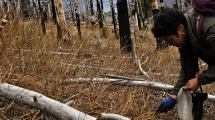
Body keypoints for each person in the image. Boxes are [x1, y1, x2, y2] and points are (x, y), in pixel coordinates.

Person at [151, 8, 215, 113]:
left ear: (180, 29)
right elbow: (188, 69)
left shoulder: (210, 29)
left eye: (170, 40)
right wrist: (174, 95)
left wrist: (199, 80)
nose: (171, 44)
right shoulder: (185, 37)